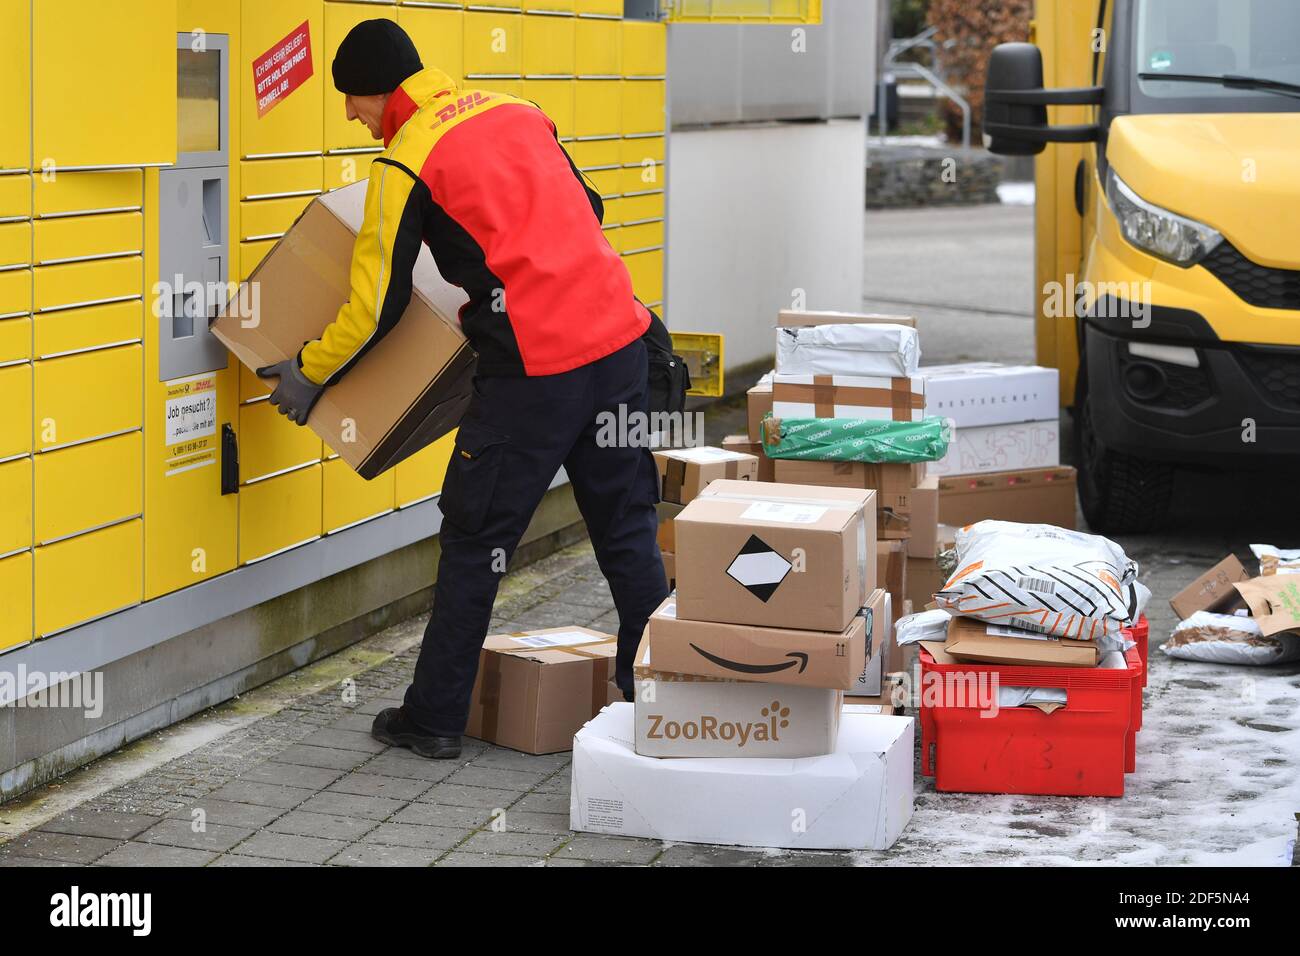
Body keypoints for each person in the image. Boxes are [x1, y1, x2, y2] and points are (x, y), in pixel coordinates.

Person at [256, 20, 669, 759]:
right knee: (626, 524)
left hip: (536, 373)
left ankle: (435, 718)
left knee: (476, 542)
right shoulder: (515, 110)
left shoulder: (403, 162)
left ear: (380, 93)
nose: (350, 115)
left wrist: (308, 373)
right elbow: (591, 210)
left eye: (350, 100)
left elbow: (375, 305)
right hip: (619, 344)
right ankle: (660, 697)